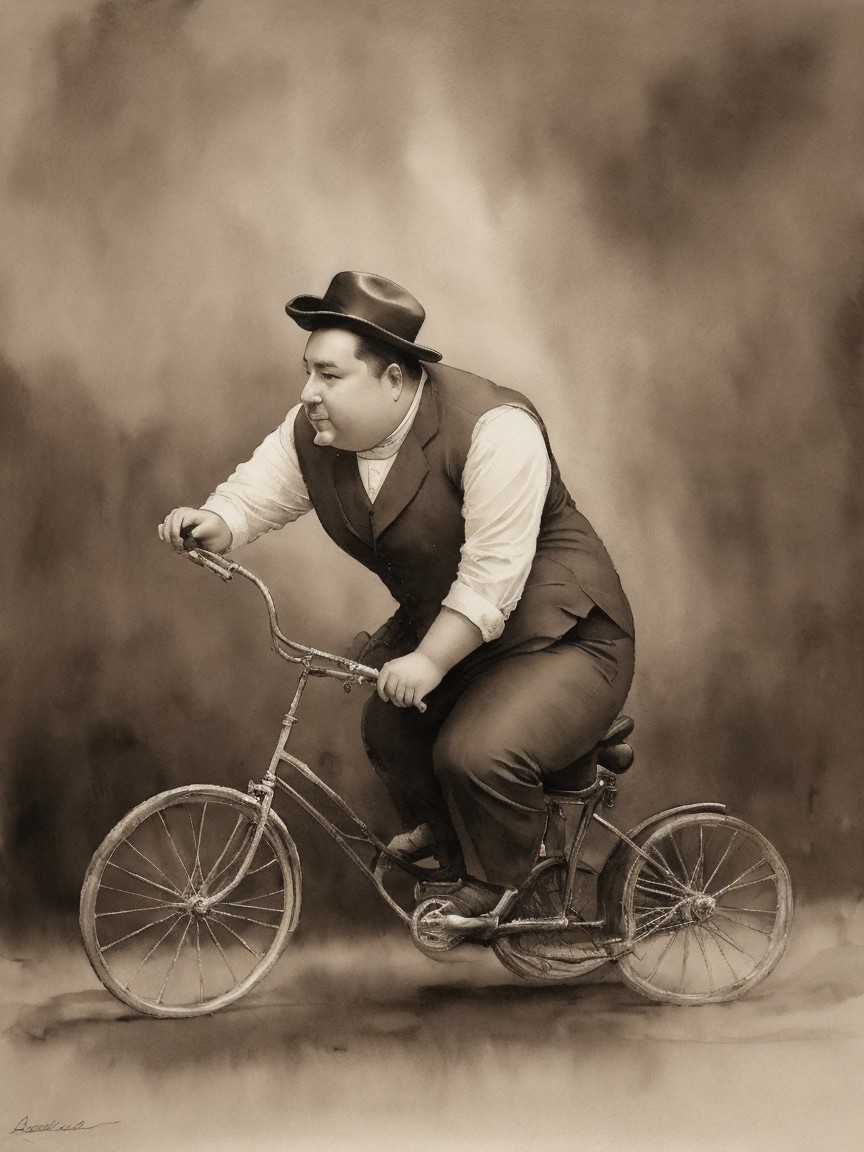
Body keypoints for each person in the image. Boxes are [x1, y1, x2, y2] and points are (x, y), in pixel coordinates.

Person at [159, 271, 635, 921]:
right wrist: (215, 521)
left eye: (329, 376)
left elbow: (494, 577)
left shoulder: (496, 428)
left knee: (474, 754)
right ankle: (452, 841)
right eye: (308, 373)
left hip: (563, 636)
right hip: (457, 635)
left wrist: (430, 661)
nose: (309, 393)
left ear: (392, 379)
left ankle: (502, 886)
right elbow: (257, 493)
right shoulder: (316, 435)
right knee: (390, 727)